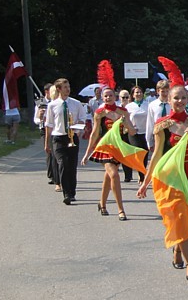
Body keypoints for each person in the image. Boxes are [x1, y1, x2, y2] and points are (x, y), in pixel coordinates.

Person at [137, 84, 188, 282]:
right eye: (175, 98)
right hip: (170, 178)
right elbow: (156, 155)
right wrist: (145, 181)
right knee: (178, 217)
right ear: (168, 100)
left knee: (183, 219)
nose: (179, 101)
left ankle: (178, 249)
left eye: (183, 98)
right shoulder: (162, 124)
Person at [81, 87, 137, 220]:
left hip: (118, 147)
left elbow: (132, 132)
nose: (108, 98)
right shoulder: (99, 112)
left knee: (108, 176)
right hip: (105, 147)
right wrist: (87, 153)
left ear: (115, 96)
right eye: (105, 96)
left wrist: (125, 122)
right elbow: (94, 134)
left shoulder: (123, 111)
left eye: (110, 95)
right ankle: (120, 209)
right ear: (102, 97)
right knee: (114, 175)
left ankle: (102, 204)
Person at [45, 78, 87, 205]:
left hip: (72, 136)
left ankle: (72, 191)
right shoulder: (52, 105)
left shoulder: (76, 103)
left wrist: (77, 130)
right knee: (62, 163)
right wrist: (46, 143)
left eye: (68, 86)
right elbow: (49, 124)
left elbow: (82, 119)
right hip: (58, 138)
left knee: (72, 166)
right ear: (58, 89)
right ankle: (66, 194)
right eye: (65, 87)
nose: (68, 89)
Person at [125, 86, 150, 184]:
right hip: (134, 133)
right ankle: (142, 175)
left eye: (140, 92)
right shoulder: (129, 106)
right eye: (136, 92)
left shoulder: (148, 105)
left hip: (146, 132)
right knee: (138, 154)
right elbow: (125, 119)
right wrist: (130, 127)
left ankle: (142, 173)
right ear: (132, 94)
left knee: (145, 154)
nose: (138, 94)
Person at [146, 79, 170, 152]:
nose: (165, 94)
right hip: (158, 134)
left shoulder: (172, 104)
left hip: (170, 133)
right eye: (163, 91)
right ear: (158, 91)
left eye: (167, 91)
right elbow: (150, 123)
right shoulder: (152, 105)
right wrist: (149, 141)